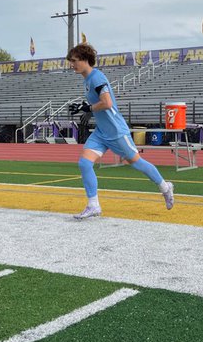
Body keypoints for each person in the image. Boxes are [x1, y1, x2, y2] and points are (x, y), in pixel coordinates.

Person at [67, 42, 174, 220]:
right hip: (101, 132)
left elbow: (107, 103)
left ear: (85, 60)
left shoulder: (97, 77)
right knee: (85, 163)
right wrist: (85, 108)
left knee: (137, 163)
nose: (72, 64)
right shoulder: (88, 80)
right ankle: (93, 205)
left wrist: (89, 109)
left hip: (116, 132)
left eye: (74, 60)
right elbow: (98, 104)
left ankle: (165, 187)